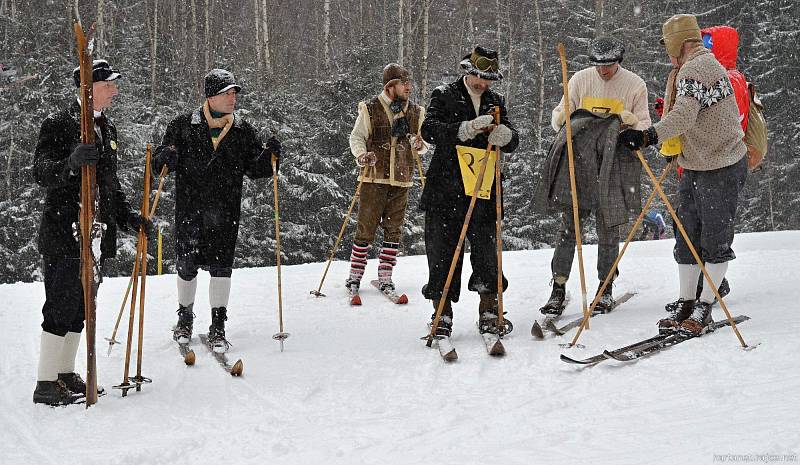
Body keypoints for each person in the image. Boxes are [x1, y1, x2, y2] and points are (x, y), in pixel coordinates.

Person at [619, 14, 748, 335]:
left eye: (668, 45)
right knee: (686, 235)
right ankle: (686, 302)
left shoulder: (698, 67)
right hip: (695, 164)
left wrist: (648, 136)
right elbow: (686, 115)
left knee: (713, 238)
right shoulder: (686, 68)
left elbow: (685, 116)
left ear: (679, 43)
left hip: (721, 165)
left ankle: (704, 305)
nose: (666, 52)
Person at [33, 59, 151, 405]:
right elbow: (40, 172)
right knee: (60, 304)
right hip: (64, 230)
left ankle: (65, 373)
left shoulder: (107, 127)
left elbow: (109, 182)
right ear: (90, 88)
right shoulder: (58, 123)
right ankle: (45, 382)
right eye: (109, 85)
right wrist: (69, 163)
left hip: (98, 233)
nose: (115, 91)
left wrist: (129, 217)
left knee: (82, 307)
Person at [153, 68, 281, 352]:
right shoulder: (182, 125)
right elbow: (160, 165)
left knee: (222, 268)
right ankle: (184, 317)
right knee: (187, 266)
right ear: (211, 96)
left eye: (235, 92)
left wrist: (270, 156)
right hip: (190, 209)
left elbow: (256, 169)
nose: (233, 97)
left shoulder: (242, 131)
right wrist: (164, 157)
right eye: (227, 92)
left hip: (225, 210)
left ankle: (218, 324)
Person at [541, 36, 651, 315]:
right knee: (570, 227)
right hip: (580, 164)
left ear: (619, 62)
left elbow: (646, 123)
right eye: (599, 66)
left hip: (615, 165)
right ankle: (558, 286)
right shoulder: (579, 79)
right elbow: (557, 114)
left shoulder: (634, 84)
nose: (603, 71)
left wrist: (631, 123)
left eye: (609, 66)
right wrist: (565, 117)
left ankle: (605, 288)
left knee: (608, 227)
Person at [420, 46, 519, 337]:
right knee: (443, 251)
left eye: (488, 79)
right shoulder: (444, 94)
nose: (482, 83)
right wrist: (463, 128)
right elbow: (429, 129)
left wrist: (506, 136)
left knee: (487, 251)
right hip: (446, 187)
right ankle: (442, 311)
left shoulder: (495, 101)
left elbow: (513, 140)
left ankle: (489, 306)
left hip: (483, 185)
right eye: (478, 77)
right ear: (467, 71)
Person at [344, 63, 427, 301]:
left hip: (402, 179)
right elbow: (357, 137)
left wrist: (419, 145)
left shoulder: (416, 112)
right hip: (374, 176)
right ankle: (355, 274)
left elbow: (424, 143)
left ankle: (385, 275)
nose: (408, 87)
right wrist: (361, 155)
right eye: (404, 83)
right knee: (366, 227)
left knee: (393, 229)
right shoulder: (370, 109)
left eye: (409, 82)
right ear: (391, 86)